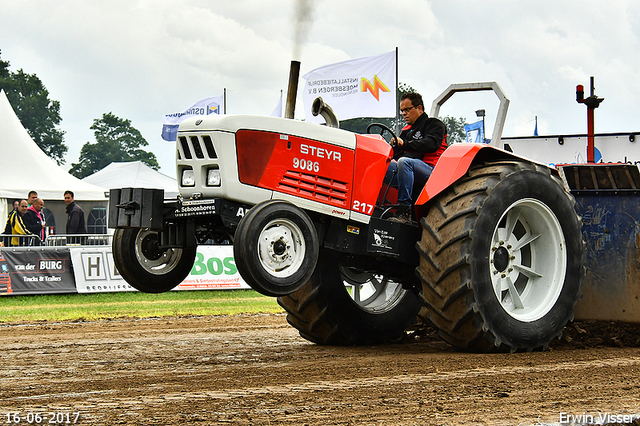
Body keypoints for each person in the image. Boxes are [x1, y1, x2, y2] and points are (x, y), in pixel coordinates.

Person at [385, 92, 447, 223]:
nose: (404, 114)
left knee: (404, 162)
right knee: (379, 163)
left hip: (431, 171)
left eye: (407, 109)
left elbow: (431, 144)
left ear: (419, 108)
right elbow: (396, 152)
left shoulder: (434, 124)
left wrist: (405, 144)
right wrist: (392, 147)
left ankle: (404, 211)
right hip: (407, 169)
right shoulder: (406, 130)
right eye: (402, 111)